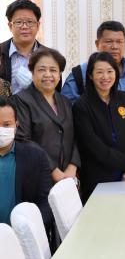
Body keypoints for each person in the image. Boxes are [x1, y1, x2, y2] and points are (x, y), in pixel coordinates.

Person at [72, 52, 125, 203]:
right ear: (90, 75)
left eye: (110, 71)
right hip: (98, 176)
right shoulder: (81, 105)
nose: (105, 77)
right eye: (99, 72)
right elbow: (92, 145)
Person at [12, 48, 80, 184]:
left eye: (53, 70)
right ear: (32, 72)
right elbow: (22, 140)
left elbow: (75, 137)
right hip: (37, 176)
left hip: (68, 178)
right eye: (41, 70)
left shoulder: (65, 102)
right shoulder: (21, 100)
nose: (48, 74)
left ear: (59, 74)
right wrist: (53, 170)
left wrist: (73, 166)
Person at [0, 97, 52, 229]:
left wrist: (29, 229)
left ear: (16, 125)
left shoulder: (36, 157)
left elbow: (45, 203)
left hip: (22, 236)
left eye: (6, 125)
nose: (1, 130)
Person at [62, 21, 125, 104]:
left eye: (119, 42)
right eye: (109, 41)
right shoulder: (79, 74)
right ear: (97, 44)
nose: (114, 47)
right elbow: (65, 106)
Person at [0, 0, 47, 94]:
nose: (25, 26)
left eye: (30, 22)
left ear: (38, 25)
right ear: (10, 26)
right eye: (19, 22)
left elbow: (56, 91)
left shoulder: (49, 56)